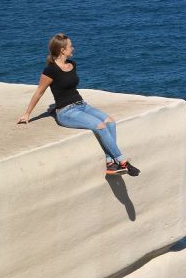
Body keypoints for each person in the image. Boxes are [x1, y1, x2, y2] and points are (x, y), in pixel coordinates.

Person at [17, 33, 141, 176]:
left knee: (110, 122)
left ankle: (110, 163)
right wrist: (27, 114)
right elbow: (39, 92)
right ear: (62, 50)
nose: (73, 49)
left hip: (82, 105)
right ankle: (123, 161)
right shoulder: (50, 70)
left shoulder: (72, 64)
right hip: (66, 112)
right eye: (70, 46)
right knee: (100, 126)